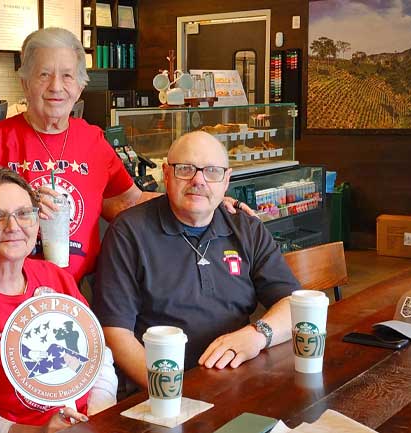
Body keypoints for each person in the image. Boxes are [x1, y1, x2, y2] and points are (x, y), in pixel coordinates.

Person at [0, 27, 248, 284]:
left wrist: (205, 200)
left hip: (78, 289)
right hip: (10, 288)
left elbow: (128, 202)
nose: (56, 87)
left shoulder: (92, 140)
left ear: (81, 85)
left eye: (68, 76)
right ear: (25, 83)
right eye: (43, 75)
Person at [92, 131, 300, 391]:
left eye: (212, 171)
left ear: (226, 180)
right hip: (159, 388)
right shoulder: (129, 232)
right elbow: (115, 331)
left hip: (237, 380)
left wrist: (258, 335)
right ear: (166, 174)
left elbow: (294, 305)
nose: (198, 180)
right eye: (186, 169)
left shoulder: (246, 228)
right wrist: (169, 390)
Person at [0, 168, 117, 433]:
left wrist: (98, 416)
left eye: (24, 214)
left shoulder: (55, 277)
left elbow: (99, 358)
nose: (13, 227)